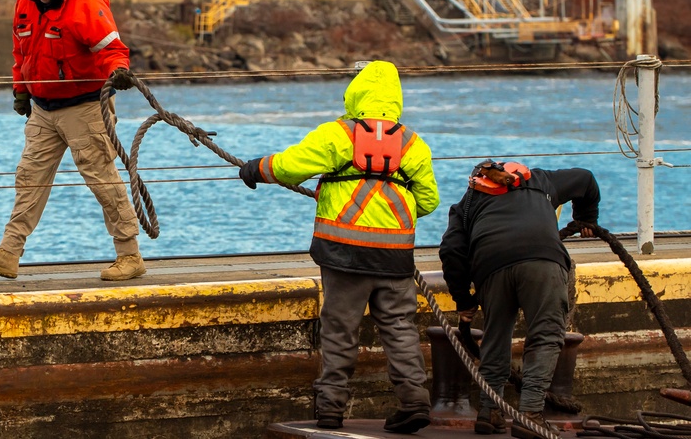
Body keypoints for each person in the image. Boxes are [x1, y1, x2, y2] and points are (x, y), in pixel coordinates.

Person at [238, 60, 440, 432]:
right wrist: (390, 214)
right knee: (399, 327)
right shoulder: (413, 143)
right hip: (395, 255)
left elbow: (289, 166)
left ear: (355, 93)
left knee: (340, 329)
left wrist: (255, 169)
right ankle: (414, 401)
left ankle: (330, 409)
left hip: (344, 253)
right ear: (395, 98)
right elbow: (429, 200)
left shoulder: (337, 134)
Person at [0, 0, 145, 282]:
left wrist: (119, 70)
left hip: (86, 106)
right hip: (44, 108)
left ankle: (129, 255)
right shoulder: (26, 2)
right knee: (29, 178)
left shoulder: (85, 1)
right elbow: (21, 51)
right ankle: (9, 252)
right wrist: (20, 90)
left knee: (101, 179)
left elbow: (112, 48)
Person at [438, 161, 600, 439]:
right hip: (543, 260)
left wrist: (463, 299)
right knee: (545, 335)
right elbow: (586, 179)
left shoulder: (466, 203)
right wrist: (587, 218)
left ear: (477, 179)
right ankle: (531, 414)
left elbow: (451, 250)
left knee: (495, 336)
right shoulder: (541, 180)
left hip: (491, 267)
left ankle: (489, 411)